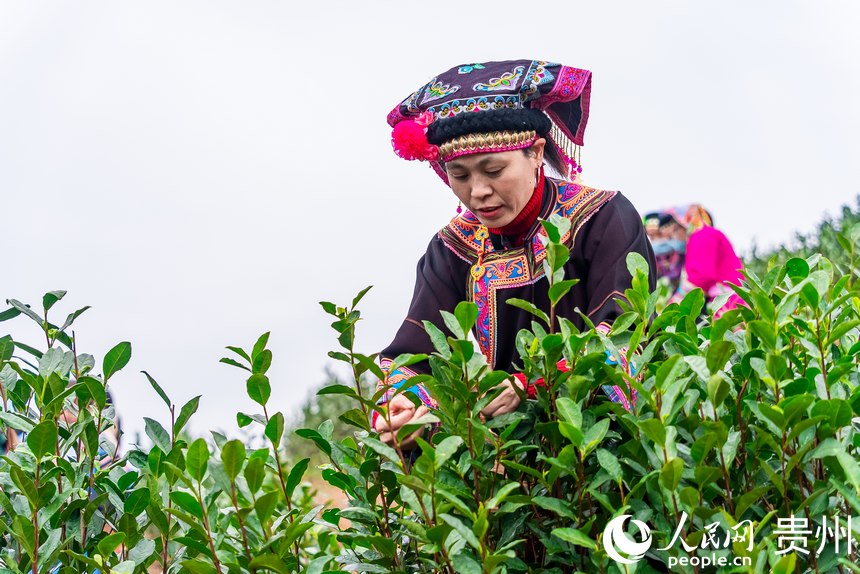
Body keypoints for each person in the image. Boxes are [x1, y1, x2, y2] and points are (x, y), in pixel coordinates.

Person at [375, 60, 656, 447]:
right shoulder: (452, 248)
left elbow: (622, 333)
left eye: (493, 170)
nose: (478, 192)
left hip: (604, 443)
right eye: (459, 175)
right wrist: (401, 404)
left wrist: (532, 384)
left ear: (537, 152)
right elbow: (411, 350)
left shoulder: (602, 218)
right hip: (509, 451)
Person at [645, 204, 745, 316]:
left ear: (683, 225)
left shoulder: (702, 235)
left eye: (674, 229)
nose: (673, 236)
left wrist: (671, 308)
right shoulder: (703, 236)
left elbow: (700, 278)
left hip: (727, 304)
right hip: (727, 301)